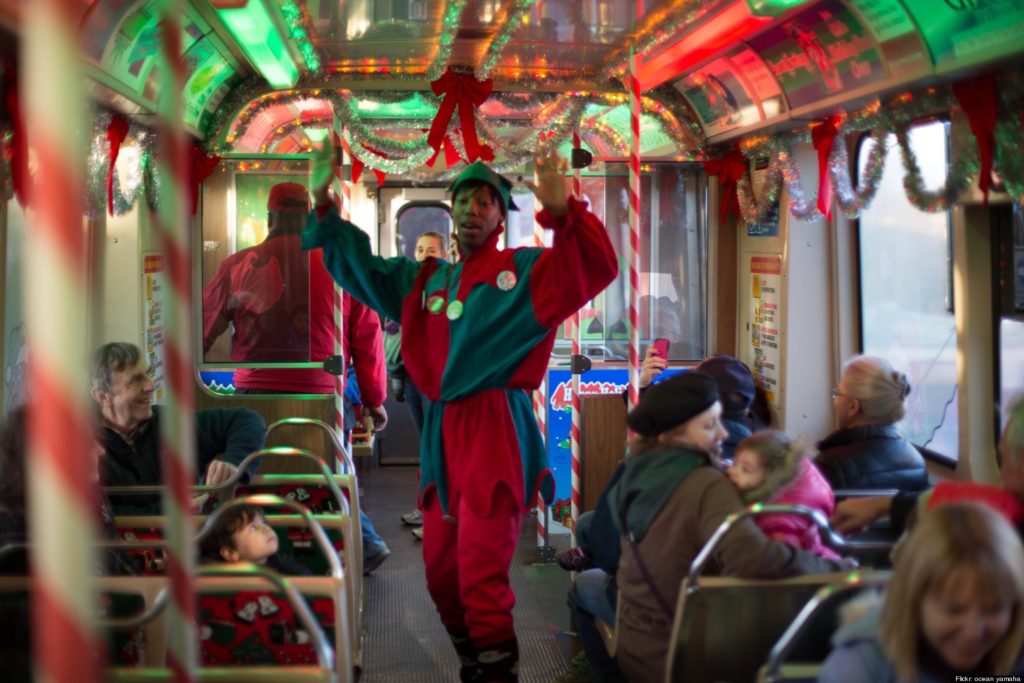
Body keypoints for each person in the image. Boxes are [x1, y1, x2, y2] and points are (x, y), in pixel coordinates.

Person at [303, 147, 618, 682]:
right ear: (452, 212)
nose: (473, 209)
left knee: (479, 577)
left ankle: (497, 675)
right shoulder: (426, 281)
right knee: (440, 575)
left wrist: (565, 211)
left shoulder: (522, 272)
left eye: (486, 201)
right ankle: (475, 665)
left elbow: (590, 267)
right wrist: (324, 206)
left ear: (500, 216)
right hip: (442, 438)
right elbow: (365, 270)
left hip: (495, 430)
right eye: (465, 199)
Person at [200, 183, 392, 572]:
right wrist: (373, 398)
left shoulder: (239, 265)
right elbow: (367, 336)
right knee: (329, 476)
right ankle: (361, 541)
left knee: (257, 477)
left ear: (270, 218)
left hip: (252, 392)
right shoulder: (340, 267)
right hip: (322, 391)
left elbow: (201, 330)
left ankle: (268, 550)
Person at [608, 372, 847, 682]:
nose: (723, 434)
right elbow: (752, 558)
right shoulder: (706, 484)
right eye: (709, 426)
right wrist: (831, 567)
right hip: (678, 652)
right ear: (669, 435)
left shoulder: (636, 469)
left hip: (634, 641)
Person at [819, 503, 1024, 682]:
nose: (973, 633)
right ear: (914, 601)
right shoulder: (860, 668)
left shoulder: (1015, 654)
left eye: (993, 609)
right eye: (954, 610)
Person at [91, 342, 265, 510]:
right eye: (135, 381)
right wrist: (174, 512)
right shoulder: (86, 450)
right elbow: (101, 516)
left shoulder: (172, 423)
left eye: (148, 374)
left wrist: (234, 460)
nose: (150, 385)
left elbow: (247, 420)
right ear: (103, 396)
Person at [831, 393, 1024, 538]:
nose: (1002, 476)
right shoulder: (912, 455)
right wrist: (885, 505)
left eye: (1004, 462)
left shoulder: (830, 464)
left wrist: (884, 505)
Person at [386, 231, 448, 534]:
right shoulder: (409, 286)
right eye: (420, 249)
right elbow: (394, 330)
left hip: (437, 378)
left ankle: (438, 511)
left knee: (438, 444)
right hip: (410, 373)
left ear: (445, 252)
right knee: (426, 443)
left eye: (432, 249)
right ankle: (427, 507)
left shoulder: (450, 285)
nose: (425, 254)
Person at [815, 355, 928, 491]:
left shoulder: (827, 467)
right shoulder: (916, 462)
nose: (835, 399)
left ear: (852, 407)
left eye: (838, 393)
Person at [726, 430, 839, 559]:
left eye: (746, 469)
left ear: (771, 477)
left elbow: (783, 564)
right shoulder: (769, 501)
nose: (732, 471)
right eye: (734, 463)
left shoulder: (778, 522)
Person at [200, 503, 310, 575]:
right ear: (230, 553)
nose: (266, 528)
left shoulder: (287, 568)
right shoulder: (214, 585)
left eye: (263, 523)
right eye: (253, 527)